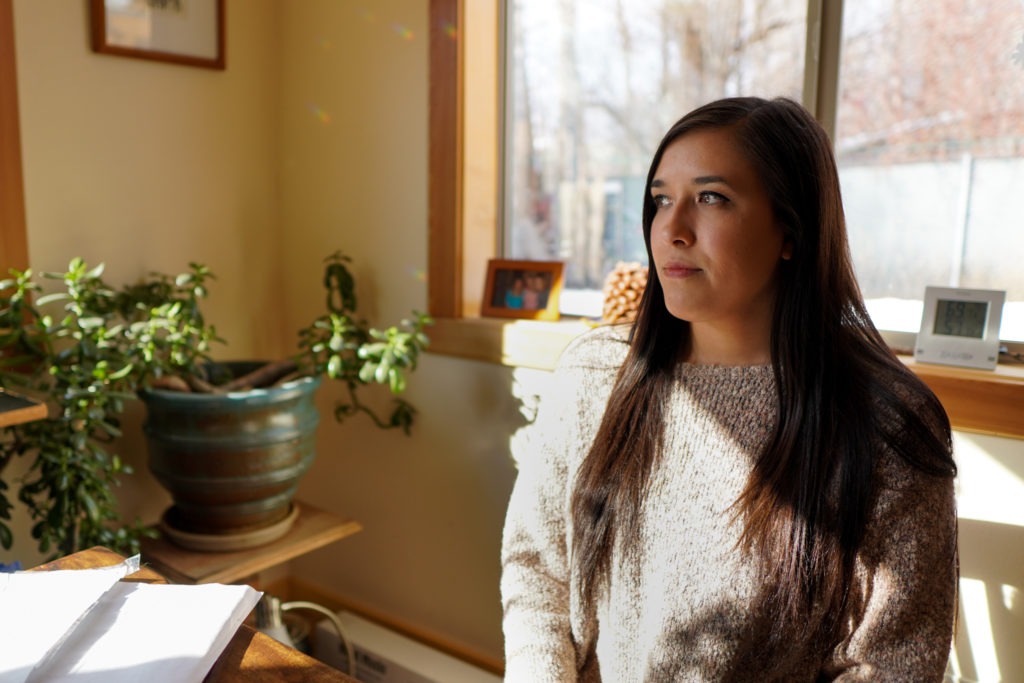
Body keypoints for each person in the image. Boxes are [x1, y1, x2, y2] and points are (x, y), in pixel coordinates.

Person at [500, 97, 957, 681]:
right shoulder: (594, 375)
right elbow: (537, 568)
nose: (672, 229)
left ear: (791, 230)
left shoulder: (886, 423)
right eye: (661, 200)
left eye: (711, 198)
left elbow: (895, 665)